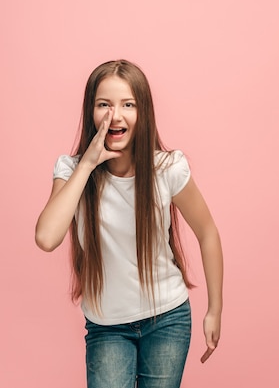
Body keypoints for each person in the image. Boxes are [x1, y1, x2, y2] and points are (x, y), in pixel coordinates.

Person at [35, 59, 223, 388]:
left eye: (128, 104)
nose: (116, 116)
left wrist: (215, 310)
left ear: (143, 112)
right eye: (104, 105)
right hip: (107, 327)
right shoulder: (71, 170)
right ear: (90, 112)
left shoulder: (167, 168)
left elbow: (207, 232)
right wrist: (88, 164)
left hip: (167, 319)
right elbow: (47, 237)